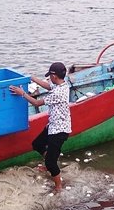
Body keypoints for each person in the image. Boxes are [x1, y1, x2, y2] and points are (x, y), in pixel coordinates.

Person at [9, 62, 71, 192]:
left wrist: (22, 93)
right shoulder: (62, 85)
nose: (49, 78)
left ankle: (58, 186)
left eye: (50, 76)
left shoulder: (58, 92)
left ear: (54, 76)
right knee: (37, 144)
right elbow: (48, 86)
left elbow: (37, 103)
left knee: (51, 163)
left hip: (59, 130)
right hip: (53, 125)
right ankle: (50, 160)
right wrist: (31, 77)